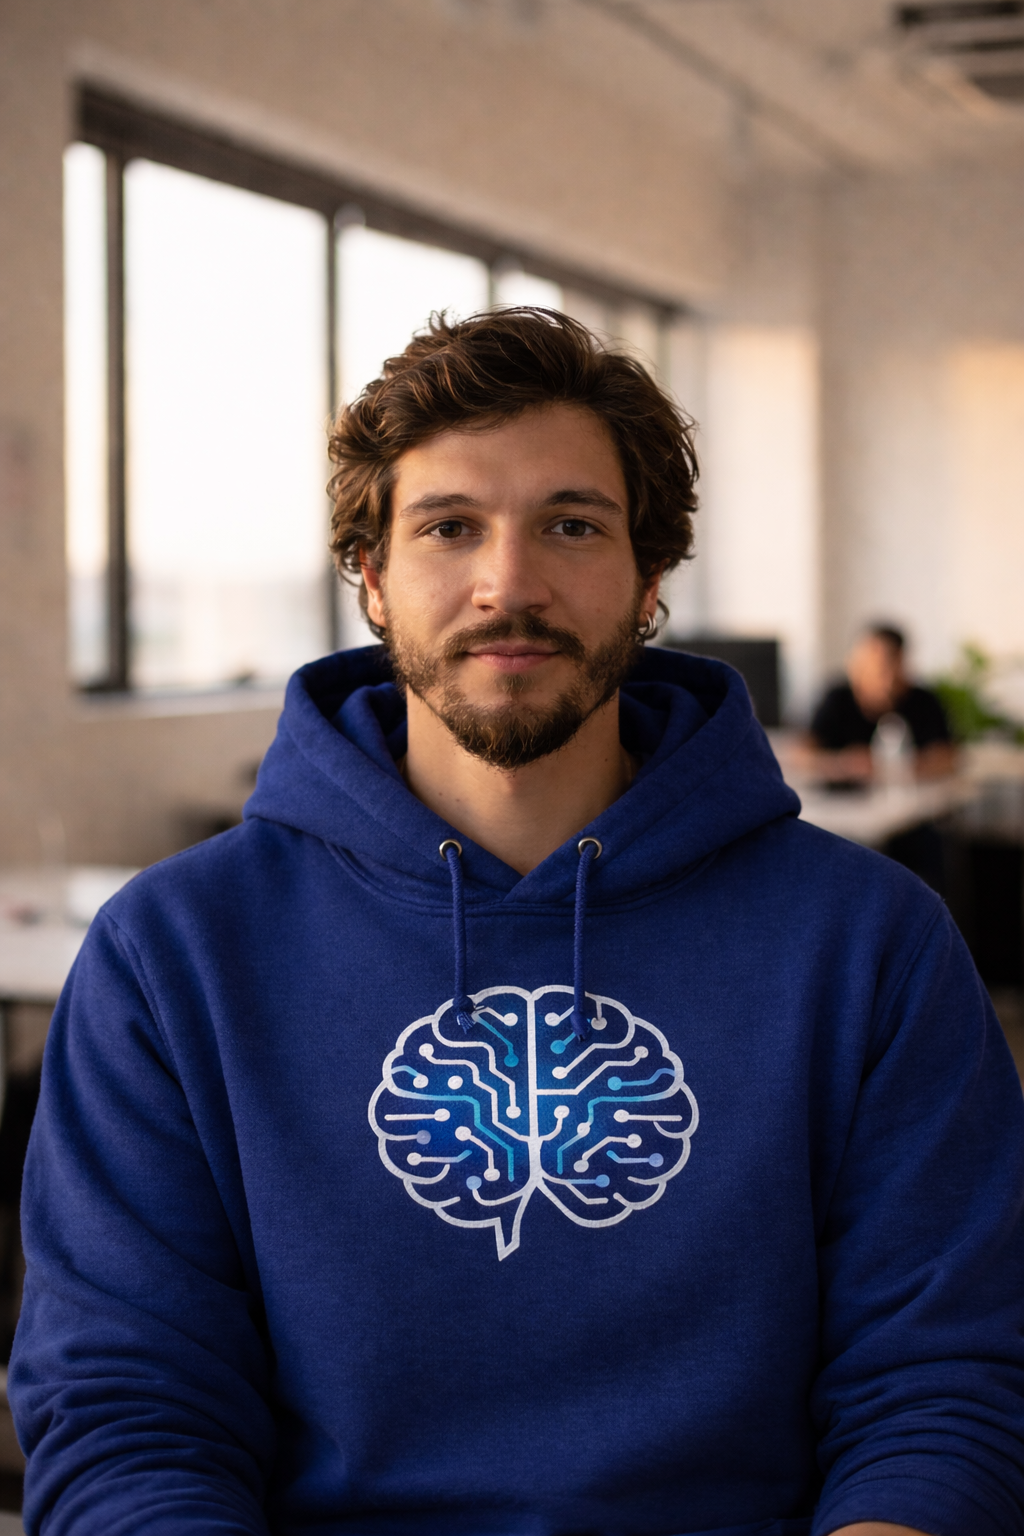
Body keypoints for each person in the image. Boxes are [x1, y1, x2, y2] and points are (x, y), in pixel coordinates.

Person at [10, 309, 1024, 1536]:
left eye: (572, 525)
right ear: (372, 578)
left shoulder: (869, 944)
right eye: (448, 528)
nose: (509, 584)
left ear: (650, 579)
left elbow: (940, 1381)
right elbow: (127, 1408)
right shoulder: (172, 957)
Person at [809, 626, 956, 783]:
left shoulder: (924, 701)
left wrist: (892, 766)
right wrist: (844, 763)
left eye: (880, 666)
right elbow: (802, 752)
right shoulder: (837, 698)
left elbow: (947, 757)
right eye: (863, 663)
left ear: (900, 663)